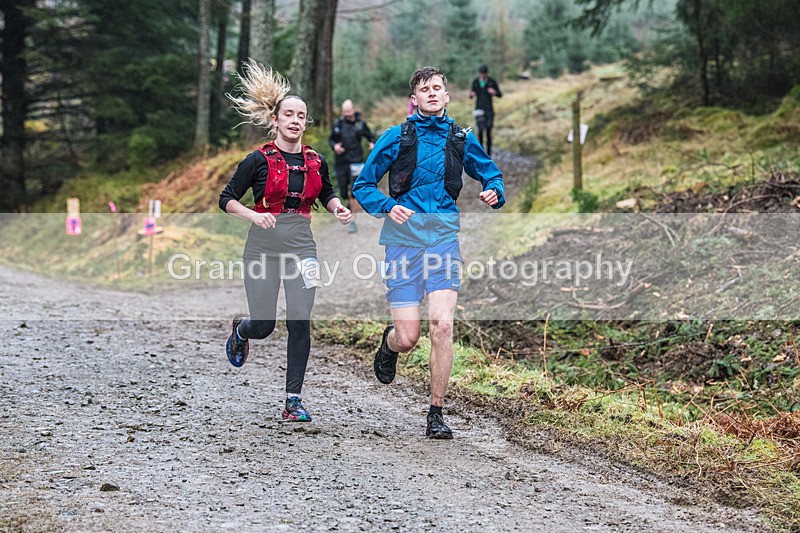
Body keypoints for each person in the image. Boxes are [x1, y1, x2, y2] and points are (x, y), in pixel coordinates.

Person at [353, 66, 505, 439]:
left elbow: (492, 175)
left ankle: (436, 412)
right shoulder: (396, 137)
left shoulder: (461, 138)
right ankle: (390, 343)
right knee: (408, 338)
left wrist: (494, 191)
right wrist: (388, 206)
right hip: (402, 243)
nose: (432, 93)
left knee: (442, 325)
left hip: (443, 240)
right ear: (415, 99)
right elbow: (363, 185)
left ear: (447, 96)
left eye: (437, 88)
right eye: (425, 89)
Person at [219, 59, 352, 422]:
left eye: (301, 116)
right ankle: (242, 329)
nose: (295, 120)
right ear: (275, 120)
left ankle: (293, 400)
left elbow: (327, 192)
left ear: (306, 123)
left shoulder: (316, 160)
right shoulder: (257, 160)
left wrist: (338, 208)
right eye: (289, 114)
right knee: (265, 325)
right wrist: (253, 215)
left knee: (300, 320)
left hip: (302, 247)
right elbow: (226, 199)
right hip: (262, 247)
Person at [328, 99, 375, 234]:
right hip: (341, 162)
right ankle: (349, 202)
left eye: (348, 111)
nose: (346, 114)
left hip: (356, 161)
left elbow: (371, 137)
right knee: (343, 191)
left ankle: (353, 221)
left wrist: (372, 144)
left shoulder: (360, 124)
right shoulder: (338, 124)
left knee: (354, 190)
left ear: (353, 110)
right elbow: (331, 139)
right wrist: (335, 146)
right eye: (344, 112)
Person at [469, 64, 502, 156]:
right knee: (480, 131)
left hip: (489, 110)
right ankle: (481, 152)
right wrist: (472, 95)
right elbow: (471, 95)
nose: (482, 75)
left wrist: (494, 92)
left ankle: (489, 153)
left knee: (488, 131)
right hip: (479, 109)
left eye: (484, 74)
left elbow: (500, 94)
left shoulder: (492, 82)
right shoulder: (476, 82)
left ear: (487, 74)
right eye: (481, 74)